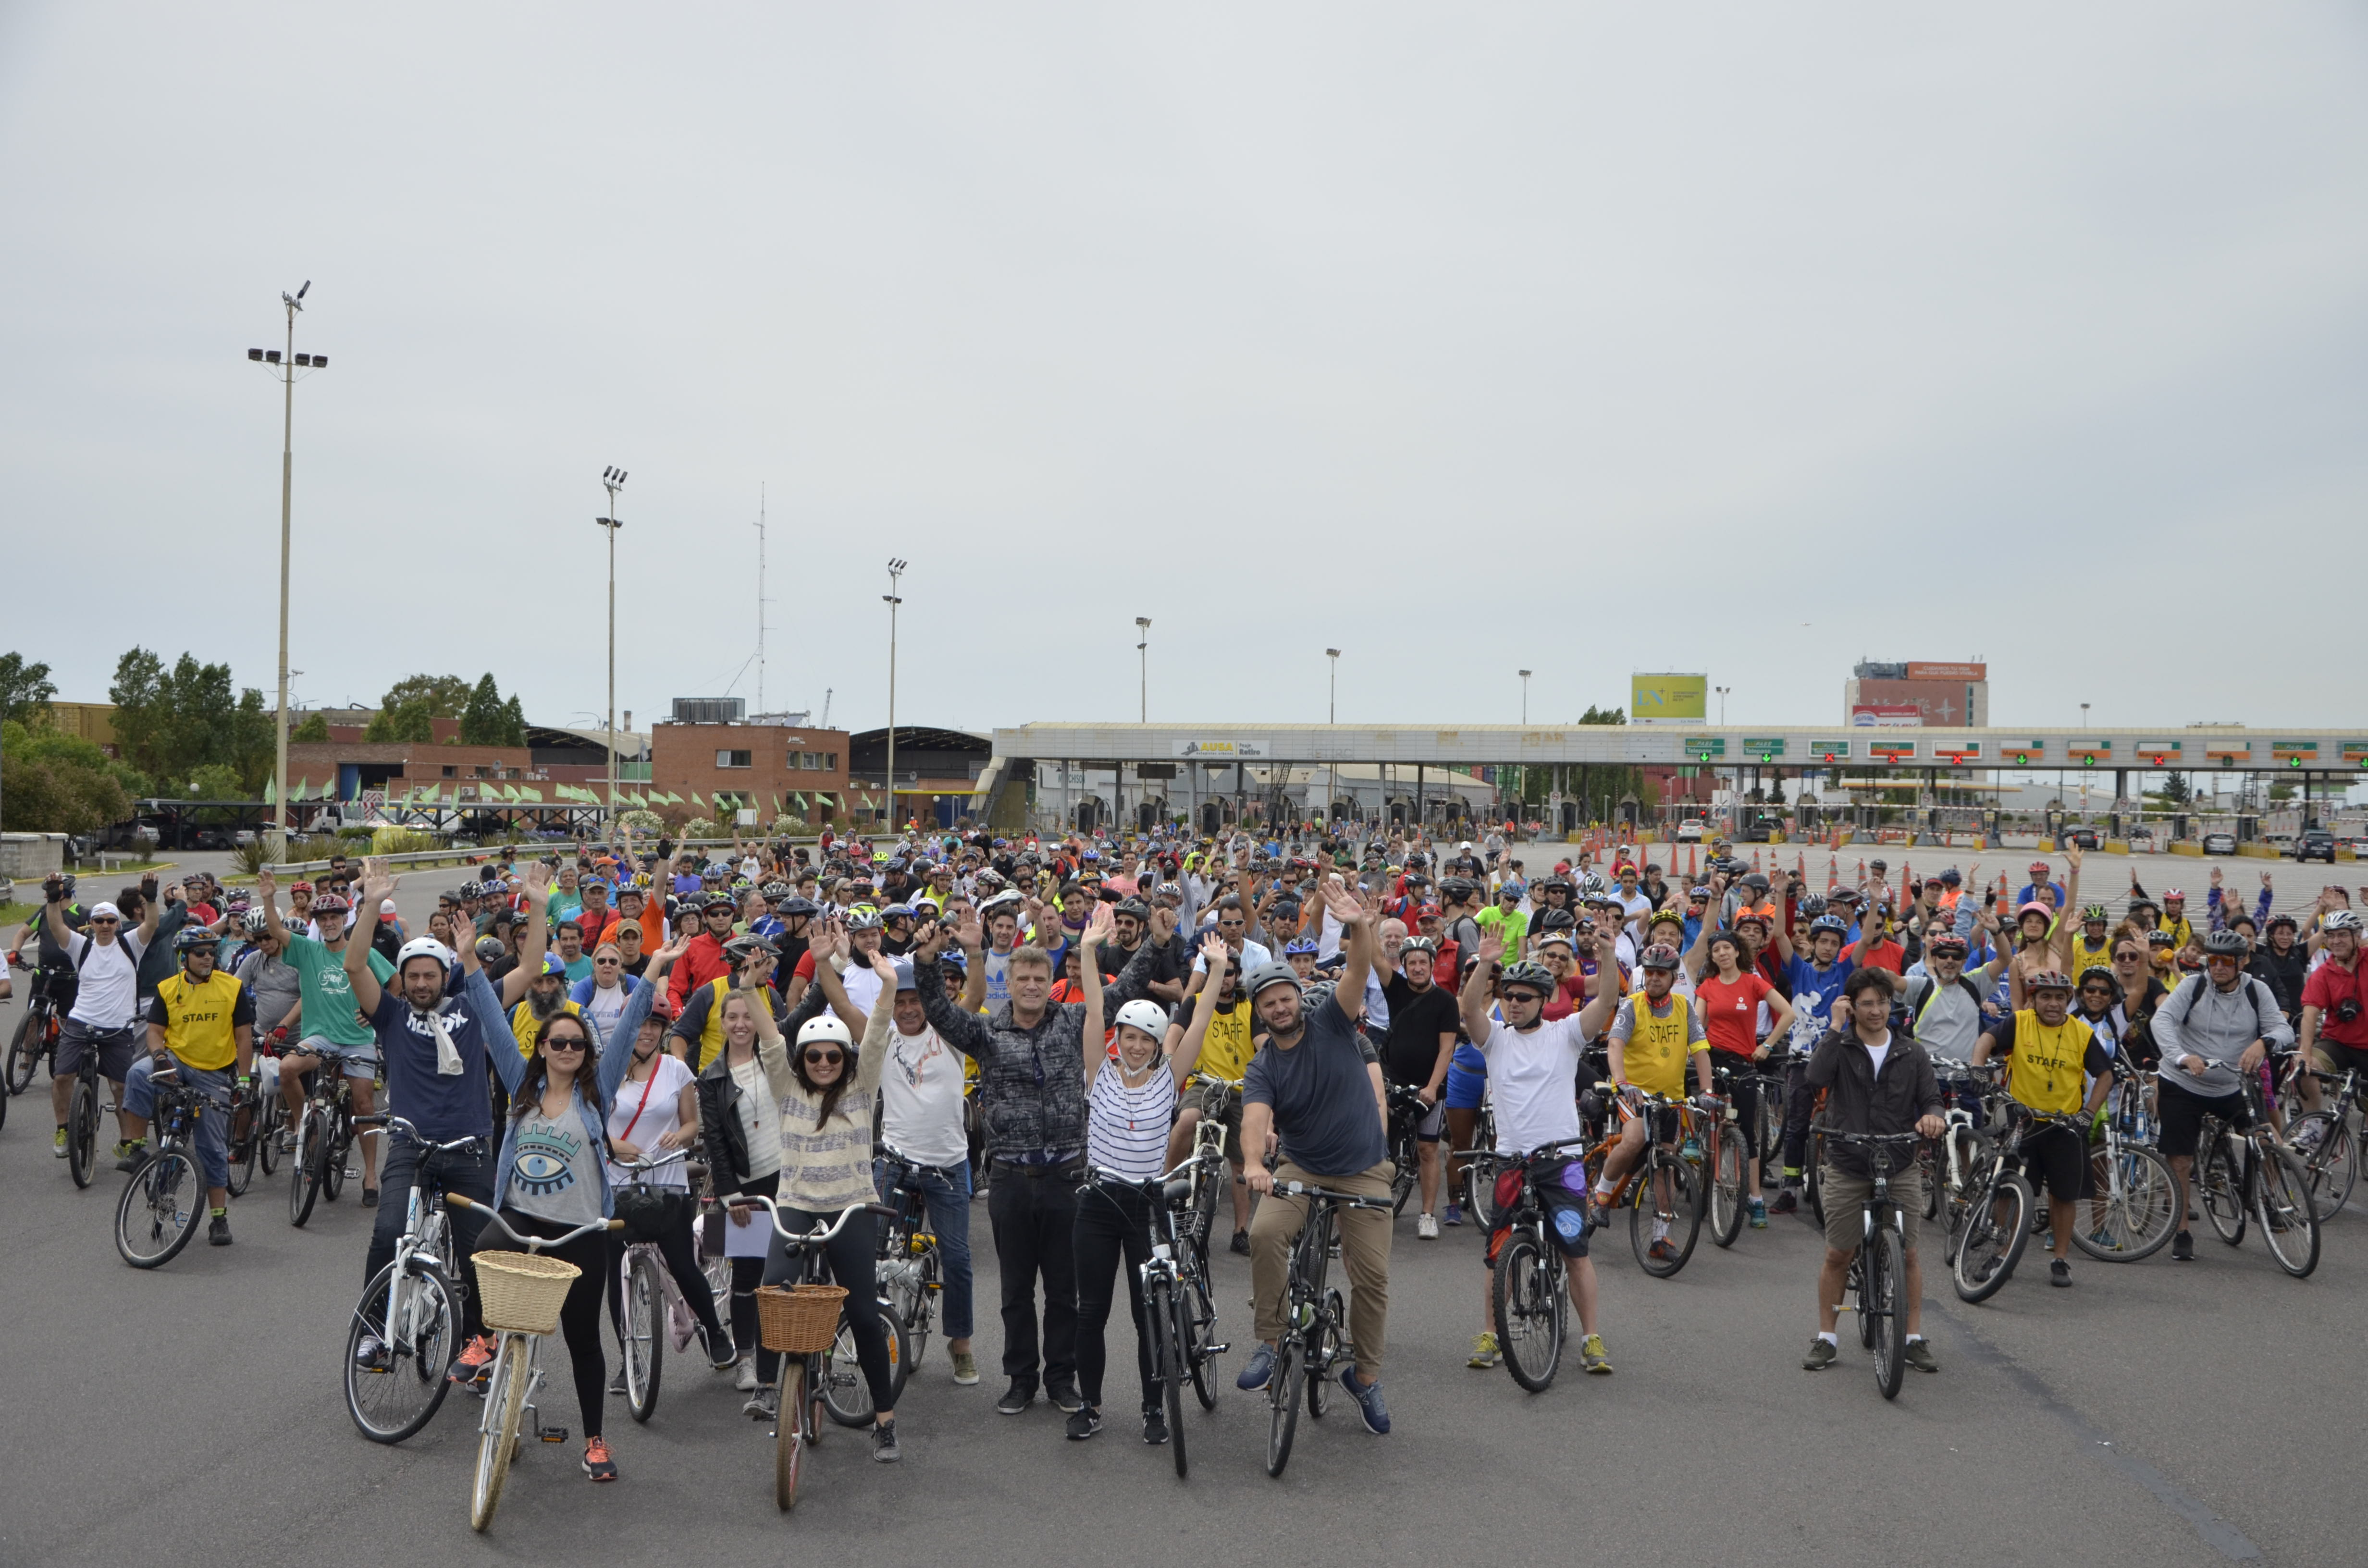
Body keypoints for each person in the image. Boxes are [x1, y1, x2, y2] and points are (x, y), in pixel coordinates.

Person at [916, 902, 1159, 1417]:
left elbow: (1118, 995)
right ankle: (1020, 1378)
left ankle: (1062, 1379)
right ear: (1011, 980)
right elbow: (937, 1009)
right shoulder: (986, 1033)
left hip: (1068, 1175)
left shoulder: (1073, 1020)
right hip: (1008, 1176)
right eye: (1022, 977)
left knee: (1065, 1291)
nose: (1030, 984)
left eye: (1038, 977)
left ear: (1049, 981)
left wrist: (1157, 945)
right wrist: (929, 959)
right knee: (1014, 1291)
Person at [340, 859, 551, 1412]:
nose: (421, 984)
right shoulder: (388, 1015)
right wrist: (371, 904)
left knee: (481, 1250)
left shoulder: (474, 1009)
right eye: (413, 977)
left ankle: (477, 1343)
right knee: (388, 1232)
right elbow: (355, 962)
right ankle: (371, 1329)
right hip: (410, 1143)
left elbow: (530, 967)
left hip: (467, 1146)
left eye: (430, 975)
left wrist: (538, 902)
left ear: (443, 977)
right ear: (404, 983)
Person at [1234, 878, 1395, 1436]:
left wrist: (1356, 925)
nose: (1279, 1008)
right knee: (1262, 1235)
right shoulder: (1263, 1067)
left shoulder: (1330, 1020)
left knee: (1371, 1276)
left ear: (1296, 1000)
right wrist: (1254, 1165)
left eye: (1284, 999)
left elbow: (1355, 972)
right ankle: (1270, 1339)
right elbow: (1254, 1120)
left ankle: (1367, 1377)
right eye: (1268, 1004)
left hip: (1362, 1167)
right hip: (1300, 1168)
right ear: (1260, 1013)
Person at [739, 939, 907, 1462]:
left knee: (860, 1310)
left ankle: (883, 1419)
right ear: (801, 1060)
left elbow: (877, 1034)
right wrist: (749, 987)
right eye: (813, 1056)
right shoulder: (786, 1088)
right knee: (771, 1290)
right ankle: (770, 1387)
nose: (824, 1062)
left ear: (845, 1059)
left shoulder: (861, 1086)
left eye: (834, 1055)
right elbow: (769, 1037)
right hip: (796, 1205)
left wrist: (888, 983)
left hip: (851, 1206)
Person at [1069, 923, 1227, 1443]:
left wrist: (1218, 969)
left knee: (1148, 1315)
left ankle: (1153, 1409)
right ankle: (1089, 1406)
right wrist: (1088, 950)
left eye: (1146, 1040)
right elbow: (1094, 1010)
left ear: (1160, 1046)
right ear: (1117, 1041)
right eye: (1129, 1038)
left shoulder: (1167, 1077)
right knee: (1089, 1312)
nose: (1136, 1047)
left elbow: (1198, 1018)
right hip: (1097, 1202)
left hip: (1147, 1203)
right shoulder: (1099, 1073)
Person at [1455, 933, 1618, 1376]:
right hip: (1512, 1161)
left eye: (1524, 997)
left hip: (1561, 1161)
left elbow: (1605, 1004)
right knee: (1499, 1250)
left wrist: (1606, 955)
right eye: (1509, 996)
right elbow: (1470, 1011)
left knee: (1575, 1251)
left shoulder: (1565, 1034)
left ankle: (1591, 1338)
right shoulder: (1495, 1040)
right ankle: (1491, 1332)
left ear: (1544, 1000)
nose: (1514, 1003)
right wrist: (1485, 967)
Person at [1801, 968, 1945, 1373]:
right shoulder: (1840, 1045)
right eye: (1867, 1003)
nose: (1877, 1010)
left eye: (1883, 1001)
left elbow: (1931, 1099)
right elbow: (1814, 1078)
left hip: (1899, 1159)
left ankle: (1913, 1338)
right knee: (1838, 1254)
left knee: (1910, 1253)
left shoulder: (1910, 1052)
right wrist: (1834, 1027)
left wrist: (1933, 1118)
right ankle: (1827, 1337)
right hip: (1848, 1159)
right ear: (1852, 1006)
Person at [602, 973, 734, 1383]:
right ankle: (630, 1356)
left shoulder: (676, 1070)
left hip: (666, 1181)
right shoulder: (605, 1070)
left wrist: (682, 1134)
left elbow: (692, 1122)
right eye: (639, 1023)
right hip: (617, 1183)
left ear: (663, 1031)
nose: (646, 1032)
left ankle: (713, 1332)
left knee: (682, 1263)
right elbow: (591, 1122)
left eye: (654, 1025)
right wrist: (614, 1144)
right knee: (613, 1272)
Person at [859, 951, 981, 1386]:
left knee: (958, 1259)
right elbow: (840, 1007)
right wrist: (822, 964)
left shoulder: (949, 1035)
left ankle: (960, 1345)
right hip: (894, 1160)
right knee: (869, 1253)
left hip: (947, 1166)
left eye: (916, 1001)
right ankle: (867, 1332)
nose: (909, 1010)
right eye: (901, 1002)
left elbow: (978, 993)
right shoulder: (884, 1038)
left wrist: (976, 951)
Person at [2152, 928, 2294, 1262]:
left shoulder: (2257, 991)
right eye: (2212, 960)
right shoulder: (2193, 986)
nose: (2217, 967)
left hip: (2232, 1083)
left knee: (2266, 1139)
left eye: (2226, 962)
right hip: (2184, 1083)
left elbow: (2283, 1029)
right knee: (2181, 1159)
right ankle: (2182, 1229)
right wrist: (2181, 1057)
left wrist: (2264, 1042)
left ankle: (2275, 1199)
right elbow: (2163, 1021)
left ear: (2241, 962)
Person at [258, 868, 395, 1203]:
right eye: (323, 918)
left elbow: (394, 983)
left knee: (363, 1103)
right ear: (317, 922)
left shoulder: (363, 953)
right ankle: (302, 1126)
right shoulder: (308, 950)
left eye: (335, 917)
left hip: (357, 1038)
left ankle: (371, 1176)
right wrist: (268, 897)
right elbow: (275, 930)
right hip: (319, 1037)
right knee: (288, 1069)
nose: (329, 922)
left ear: (344, 919)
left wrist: (376, 1009)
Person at [1971, 970, 2110, 1288]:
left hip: (2066, 1125)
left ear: (2068, 1001)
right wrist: (1978, 1067)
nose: (2052, 1003)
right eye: (2045, 996)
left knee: (2064, 1197)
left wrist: (2089, 1113)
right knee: (2009, 1191)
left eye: (2059, 997)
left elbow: (2105, 1075)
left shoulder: (2081, 1034)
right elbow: (1987, 1039)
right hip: (2023, 1121)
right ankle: (2002, 1252)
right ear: (2033, 999)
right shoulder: (2020, 1022)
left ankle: (2060, 1259)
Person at [118, 926, 256, 1245]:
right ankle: (137, 1149)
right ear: (184, 958)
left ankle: (218, 1220)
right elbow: (155, 1031)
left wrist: (245, 1079)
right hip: (176, 1062)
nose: (208, 957)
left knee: (212, 1148)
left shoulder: (232, 987)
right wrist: (160, 1056)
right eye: (200, 953)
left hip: (214, 1073)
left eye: (211, 952)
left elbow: (244, 1038)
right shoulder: (168, 988)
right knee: (139, 1073)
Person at [1591, 943, 1716, 1261]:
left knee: (1665, 1166)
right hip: (1635, 1094)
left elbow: (1701, 1050)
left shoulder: (1684, 1007)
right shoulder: (1632, 1006)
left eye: (1661, 973)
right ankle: (1601, 1194)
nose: (1654, 978)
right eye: (1649, 972)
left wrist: (1707, 1091)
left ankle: (1661, 1238)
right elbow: (1616, 1044)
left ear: (1674, 977)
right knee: (1633, 1139)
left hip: (1670, 1098)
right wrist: (1621, 1082)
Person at [40, 873, 162, 1164]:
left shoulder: (130, 944)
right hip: (82, 1021)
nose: (105, 926)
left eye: (110, 921)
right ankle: (62, 1130)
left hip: (118, 1026)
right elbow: (56, 925)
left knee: (121, 1087)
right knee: (62, 1077)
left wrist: (152, 898)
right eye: (99, 921)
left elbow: (152, 923)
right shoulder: (81, 946)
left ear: (118, 924)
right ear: (92, 925)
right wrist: (54, 899)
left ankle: (127, 1141)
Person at [1692, 927, 1797, 1225]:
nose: (1722, 954)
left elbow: (1788, 1013)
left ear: (1737, 951)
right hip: (1711, 1059)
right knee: (1692, 1106)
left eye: (1727, 948)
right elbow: (1698, 1027)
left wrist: (1767, 1045)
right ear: (1712, 957)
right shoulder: (1708, 986)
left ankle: (1755, 1198)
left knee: (1746, 1131)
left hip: (1743, 1062)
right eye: (1716, 951)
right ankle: (1696, 1156)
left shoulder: (1753, 983)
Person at [1371, 931, 1462, 1237]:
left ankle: (1426, 1214)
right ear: (1405, 965)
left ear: (1432, 965)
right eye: (1412, 963)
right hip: (1393, 1081)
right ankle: (1377, 1205)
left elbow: (1447, 1049)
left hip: (1429, 1085)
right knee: (1381, 1147)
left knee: (1427, 1149)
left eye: (1424, 962)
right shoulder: (1395, 988)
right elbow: (1374, 955)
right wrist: (1369, 925)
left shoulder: (1445, 1001)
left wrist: (1433, 1087)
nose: (1418, 968)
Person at [2284, 909, 2365, 1140]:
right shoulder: (2323, 974)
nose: (2336, 941)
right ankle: (2313, 1124)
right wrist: (2305, 1054)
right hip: (2338, 1044)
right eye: (2331, 936)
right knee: (2302, 1068)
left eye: (2342, 935)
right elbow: (2310, 1015)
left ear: (2356, 936)